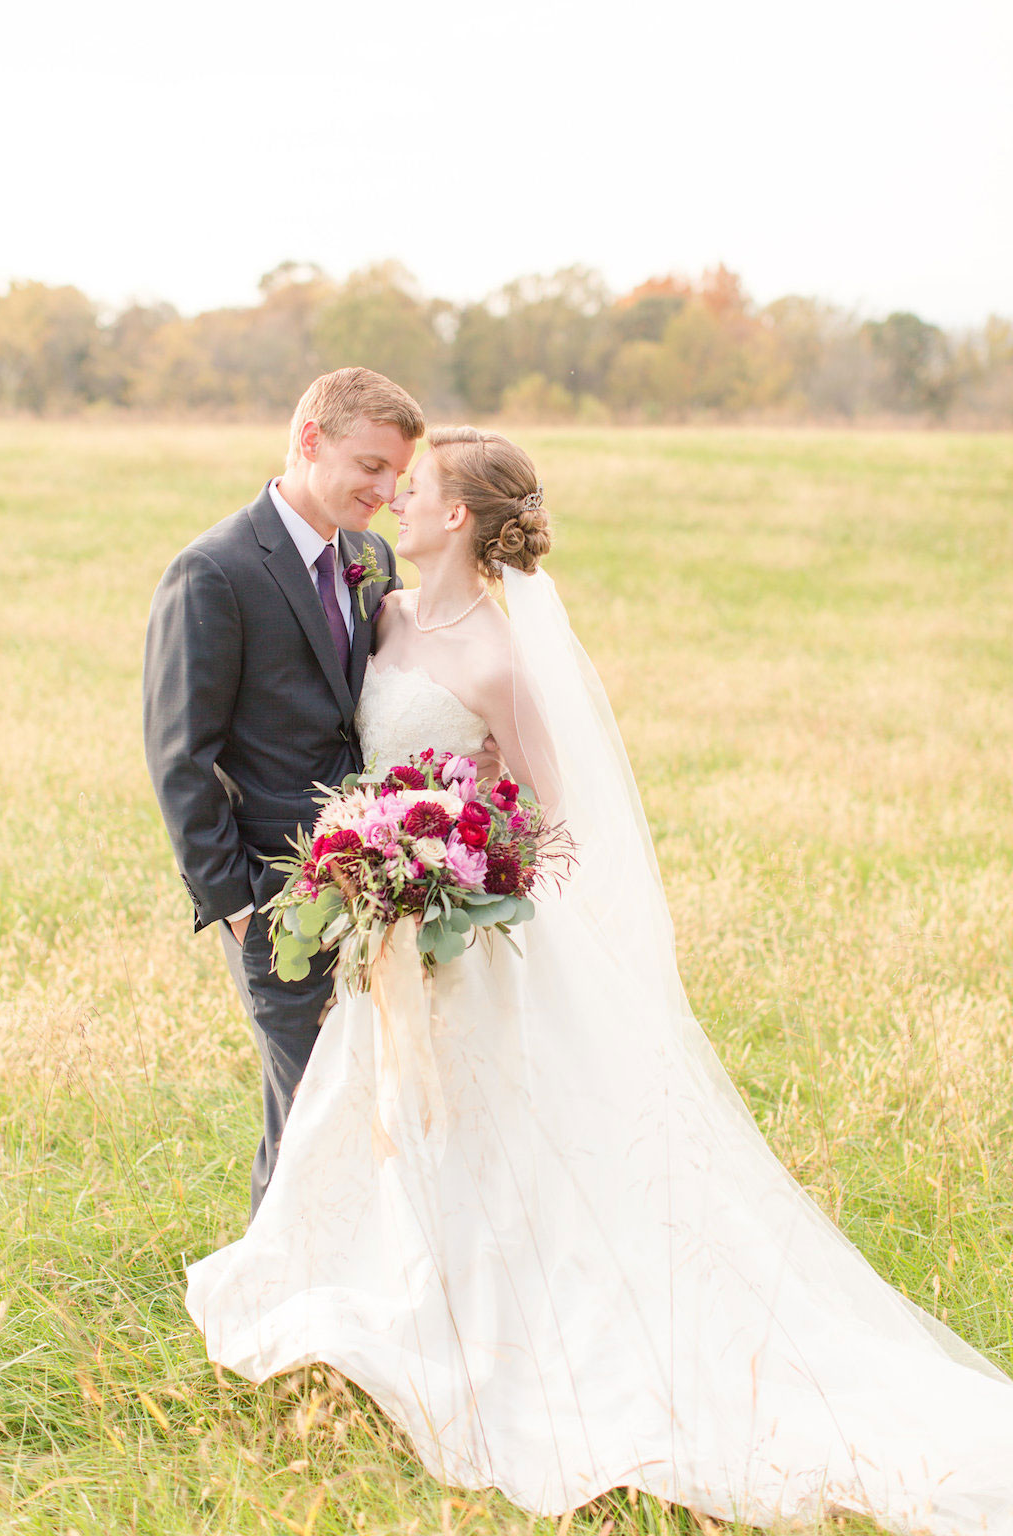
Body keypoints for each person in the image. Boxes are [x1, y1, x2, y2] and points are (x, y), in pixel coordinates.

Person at [184, 428, 1013, 1533]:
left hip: (470, 937)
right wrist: (378, 861)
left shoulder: (498, 655)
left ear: (460, 519)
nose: (396, 501)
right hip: (391, 937)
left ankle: (525, 1349)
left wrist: (458, 868)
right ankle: (406, 1320)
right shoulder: (382, 608)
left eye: (415, 487)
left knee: (508, 1140)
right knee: (403, 1128)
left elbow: (549, 812)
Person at [143, 367, 423, 1217]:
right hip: (273, 893)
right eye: (370, 466)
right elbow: (179, 754)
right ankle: (280, 1313)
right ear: (310, 440)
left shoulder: (370, 557)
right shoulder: (214, 570)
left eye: (397, 476)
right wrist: (233, 904)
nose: (386, 491)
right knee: (308, 1110)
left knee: (370, 1098)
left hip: (378, 887)